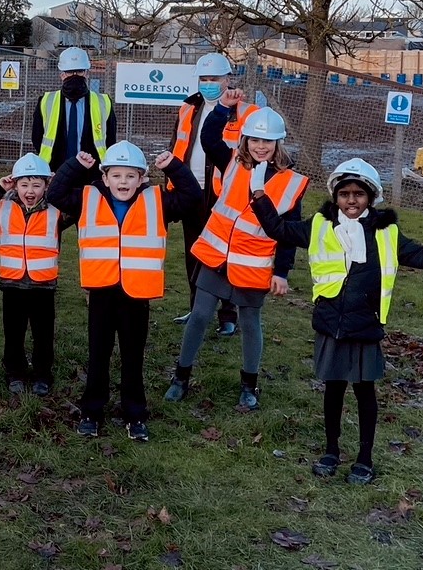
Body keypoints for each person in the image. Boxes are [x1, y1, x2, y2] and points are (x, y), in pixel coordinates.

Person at [252, 159, 423, 485]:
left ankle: (364, 458)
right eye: (344, 194)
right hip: (331, 324)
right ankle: (331, 451)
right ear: (335, 197)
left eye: (359, 194)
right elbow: (278, 230)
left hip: (365, 326)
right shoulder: (320, 226)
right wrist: (258, 194)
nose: (351, 201)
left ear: (372, 197)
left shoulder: (387, 233)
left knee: (365, 393)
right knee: (333, 390)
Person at [48, 141, 202, 441]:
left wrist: (173, 166)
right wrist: (75, 166)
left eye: (131, 176)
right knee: (98, 354)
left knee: (133, 357)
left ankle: (135, 413)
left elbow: (193, 197)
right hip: (102, 291)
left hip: (136, 294)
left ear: (143, 178)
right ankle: (92, 411)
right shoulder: (87, 197)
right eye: (116, 176)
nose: (123, 182)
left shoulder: (157, 200)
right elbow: (55, 194)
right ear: (105, 177)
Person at [165, 103, 307, 410]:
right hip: (216, 257)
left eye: (267, 141)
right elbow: (208, 138)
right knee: (200, 315)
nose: (260, 146)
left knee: (249, 322)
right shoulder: (231, 161)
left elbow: (289, 233)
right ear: (244, 140)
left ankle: (249, 384)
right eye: (254, 140)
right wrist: (223, 109)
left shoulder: (291, 182)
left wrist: (281, 272)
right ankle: (180, 377)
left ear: (277, 143)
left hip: (252, 265)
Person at [166, 52, 259, 335]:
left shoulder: (245, 112)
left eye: (214, 79)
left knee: (225, 254)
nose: (208, 84)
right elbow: (177, 145)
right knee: (194, 251)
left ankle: (227, 315)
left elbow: (253, 153)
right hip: (190, 188)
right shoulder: (188, 109)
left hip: (225, 193)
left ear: (227, 79)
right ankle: (197, 309)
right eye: (203, 79)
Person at [0, 153, 64, 397]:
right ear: (15, 184)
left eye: (37, 185)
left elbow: (77, 206)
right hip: (12, 283)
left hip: (43, 285)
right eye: (24, 184)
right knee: (13, 332)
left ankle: (42, 374)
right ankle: (15, 372)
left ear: (47, 185)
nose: (30, 191)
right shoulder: (4, 205)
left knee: (43, 333)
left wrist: (60, 185)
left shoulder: (56, 210)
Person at [31, 46, 116, 185]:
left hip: (92, 174)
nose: (74, 75)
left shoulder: (103, 102)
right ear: (62, 75)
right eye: (70, 72)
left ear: (87, 73)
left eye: (79, 71)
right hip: (55, 172)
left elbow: (110, 140)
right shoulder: (46, 101)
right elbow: (37, 138)